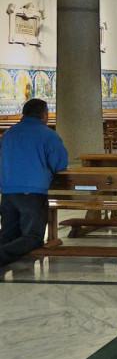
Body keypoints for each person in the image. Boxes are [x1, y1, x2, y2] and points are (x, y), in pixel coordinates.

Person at [0, 98, 68, 267]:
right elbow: (59, 163)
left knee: (8, 234)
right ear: (44, 115)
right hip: (33, 191)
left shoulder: (9, 133)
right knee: (34, 237)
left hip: (8, 190)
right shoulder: (48, 135)